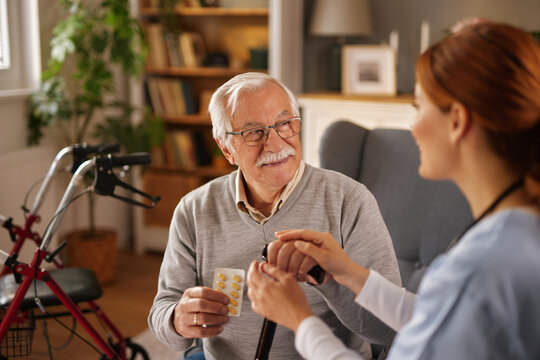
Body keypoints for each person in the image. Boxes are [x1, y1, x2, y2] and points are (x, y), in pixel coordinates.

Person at [246, 21, 540, 360]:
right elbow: (437, 318)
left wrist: (299, 320)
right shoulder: (519, 231)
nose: (412, 127)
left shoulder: (478, 269)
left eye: (418, 108)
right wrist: (349, 273)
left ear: (457, 121)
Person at [148, 72, 402, 360]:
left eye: (284, 124)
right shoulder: (194, 210)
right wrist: (177, 320)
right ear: (226, 148)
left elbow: (389, 327)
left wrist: (329, 281)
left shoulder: (351, 201)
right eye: (254, 132)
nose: (275, 144)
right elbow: (162, 312)